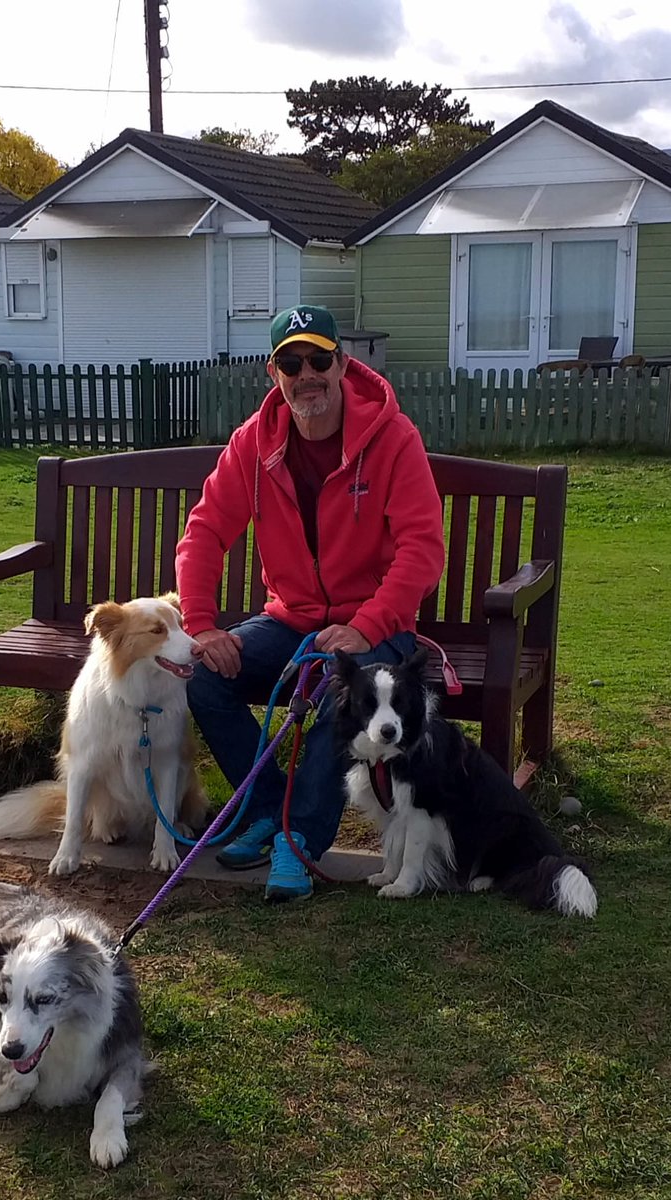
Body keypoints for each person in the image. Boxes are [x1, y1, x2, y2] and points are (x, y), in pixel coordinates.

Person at [175, 305, 445, 901]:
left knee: (337, 691)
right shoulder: (252, 444)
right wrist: (201, 625)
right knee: (203, 677)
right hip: (290, 619)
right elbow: (204, 533)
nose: (308, 374)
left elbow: (422, 550)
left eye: (320, 359)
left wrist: (365, 624)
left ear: (343, 365)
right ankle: (270, 807)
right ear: (274, 373)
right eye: (292, 362)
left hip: (379, 627)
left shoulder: (393, 438)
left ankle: (299, 842)